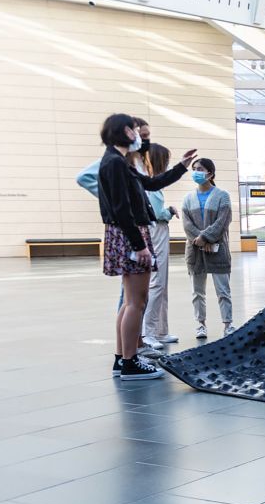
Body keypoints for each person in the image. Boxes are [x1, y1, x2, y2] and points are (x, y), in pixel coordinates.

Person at [96, 113, 193, 380]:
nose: (140, 136)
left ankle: (122, 358)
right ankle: (129, 362)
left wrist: (182, 166)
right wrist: (139, 246)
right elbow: (121, 208)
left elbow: (150, 183)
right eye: (137, 131)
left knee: (130, 302)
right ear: (125, 131)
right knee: (137, 302)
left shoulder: (119, 161)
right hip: (130, 234)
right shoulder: (115, 163)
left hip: (127, 233)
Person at [182, 158, 235, 339]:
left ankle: (228, 324)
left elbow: (223, 221)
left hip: (218, 249)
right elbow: (187, 224)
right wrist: (199, 240)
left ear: (210, 174)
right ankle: (200, 325)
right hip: (195, 251)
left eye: (200, 169)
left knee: (223, 290)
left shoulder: (223, 196)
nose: (196, 172)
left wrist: (205, 237)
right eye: (194, 169)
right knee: (197, 292)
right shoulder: (188, 198)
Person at [140, 143, 180, 347]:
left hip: (158, 231)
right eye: (165, 162)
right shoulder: (150, 185)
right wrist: (169, 211)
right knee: (156, 283)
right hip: (156, 232)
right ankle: (148, 332)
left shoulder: (152, 184)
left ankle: (161, 330)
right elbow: (155, 213)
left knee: (161, 282)